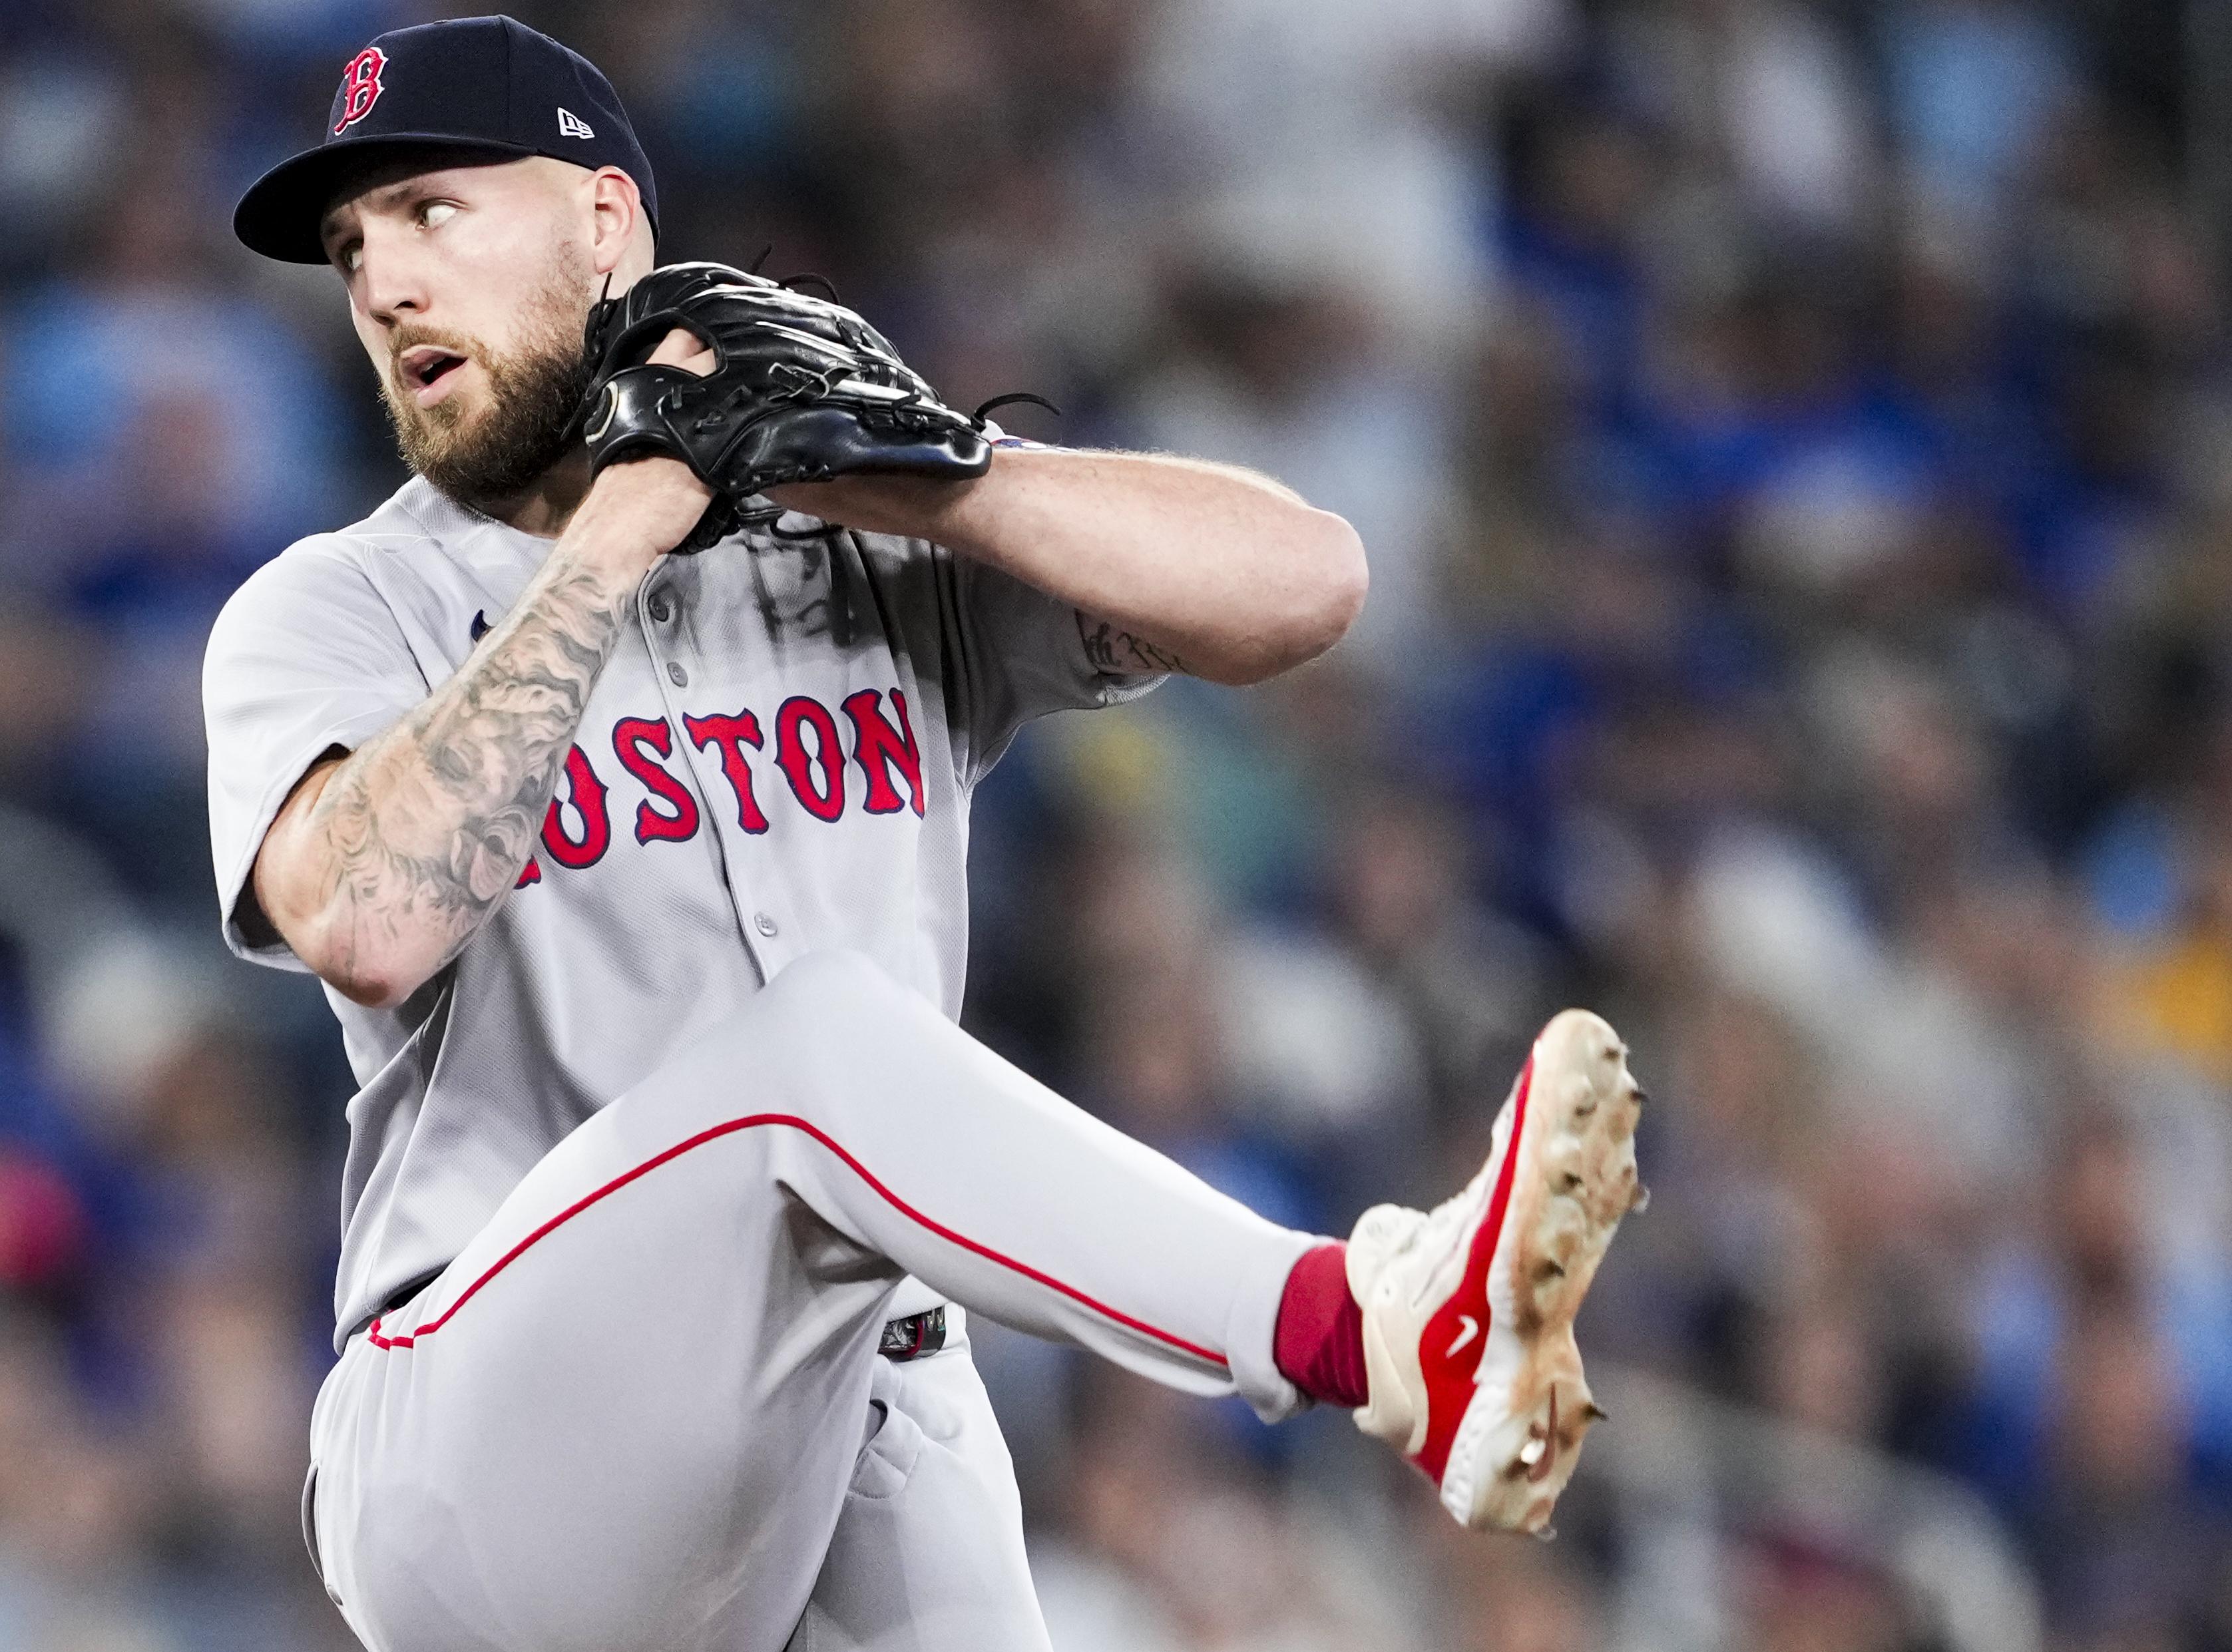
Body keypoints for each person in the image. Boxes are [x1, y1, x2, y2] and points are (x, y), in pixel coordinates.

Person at [202, 17, 1645, 1651]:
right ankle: (1372, 1325)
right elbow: (371, 923)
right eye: (350, 246)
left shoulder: (860, 549)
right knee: (818, 1046)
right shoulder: (333, 606)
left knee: (901, 1347)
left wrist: (942, 476)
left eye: (431, 211)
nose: (382, 282)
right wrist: (630, 514)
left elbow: (1309, 585)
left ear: (606, 224)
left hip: (838, 1425)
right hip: (487, 1435)